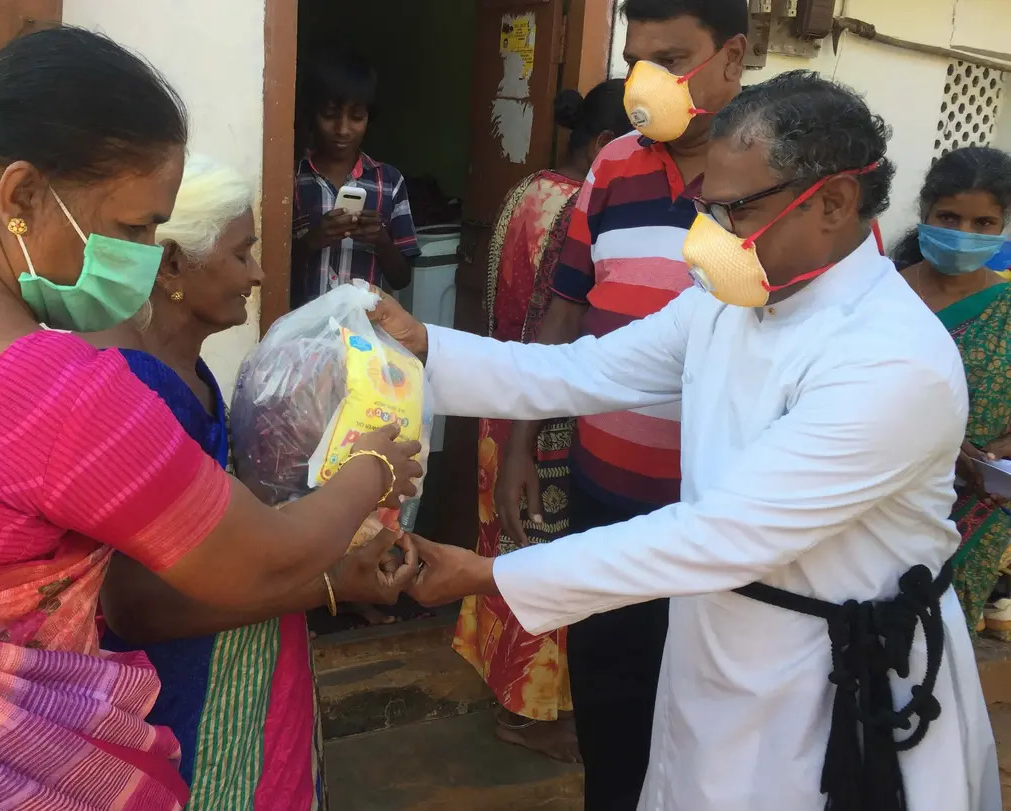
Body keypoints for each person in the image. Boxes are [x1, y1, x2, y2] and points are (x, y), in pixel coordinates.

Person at [0, 28, 424, 811]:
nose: (141, 255)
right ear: (21, 195)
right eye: (132, 228)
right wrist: (373, 463)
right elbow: (262, 562)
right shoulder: (55, 394)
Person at [385, 71, 1000, 811]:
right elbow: (582, 369)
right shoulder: (727, 303)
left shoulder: (895, 360)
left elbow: (720, 535)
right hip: (715, 641)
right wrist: (422, 346)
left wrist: (488, 576)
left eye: (734, 211)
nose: (707, 238)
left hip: (831, 672)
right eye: (705, 207)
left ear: (834, 203)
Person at [87, 155, 416, 811]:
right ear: (173, 265)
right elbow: (135, 605)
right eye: (242, 256)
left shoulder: (183, 364)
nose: (260, 274)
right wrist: (329, 579)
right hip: (185, 702)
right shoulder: (136, 386)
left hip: (241, 666)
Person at [495, 0, 748, 803]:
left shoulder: (784, 183)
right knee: (610, 717)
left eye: (673, 60)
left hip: (721, 522)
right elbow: (564, 316)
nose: (650, 84)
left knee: (711, 733)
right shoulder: (612, 168)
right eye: (637, 60)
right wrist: (520, 446)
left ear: (734, 60)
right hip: (607, 504)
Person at [452, 78, 631, 764]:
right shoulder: (581, 207)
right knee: (546, 551)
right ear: (605, 144)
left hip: (506, 401)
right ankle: (531, 712)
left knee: (506, 542)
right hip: (546, 415)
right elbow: (564, 319)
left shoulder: (529, 191)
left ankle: (507, 687)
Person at [895, 145, 1011, 638]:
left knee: (938, 643)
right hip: (881, 497)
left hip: (974, 511)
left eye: (984, 223)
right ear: (924, 212)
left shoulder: (1006, 308)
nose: (964, 234)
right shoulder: (882, 294)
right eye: (949, 216)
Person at [291, 50, 421, 309]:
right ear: (312, 114)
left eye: (357, 117)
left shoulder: (389, 182)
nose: (342, 129)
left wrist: (381, 240)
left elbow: (401, 279)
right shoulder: (292, 178)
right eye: (329, 115)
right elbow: (267, 269)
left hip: (364, 334)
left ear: (369, 118)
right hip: (301, 332)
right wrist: (311, 242)